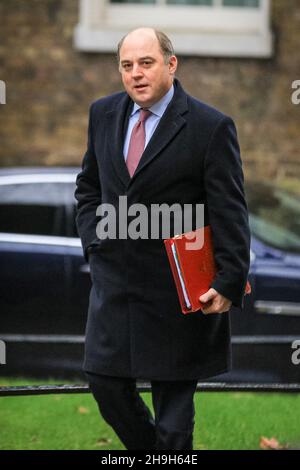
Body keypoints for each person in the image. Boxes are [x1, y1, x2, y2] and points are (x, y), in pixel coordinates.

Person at [74, 27, 250, 451]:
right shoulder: (102, 113)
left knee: (174, 426)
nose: (136, 74)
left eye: (146, 63)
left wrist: (228, 280)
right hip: (115, 290)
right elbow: (89, 188)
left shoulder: (210, 126)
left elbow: (229, 209)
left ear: (171, 65)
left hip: (178, 297)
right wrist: (95, 244)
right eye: (127, 65)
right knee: (104, 385)